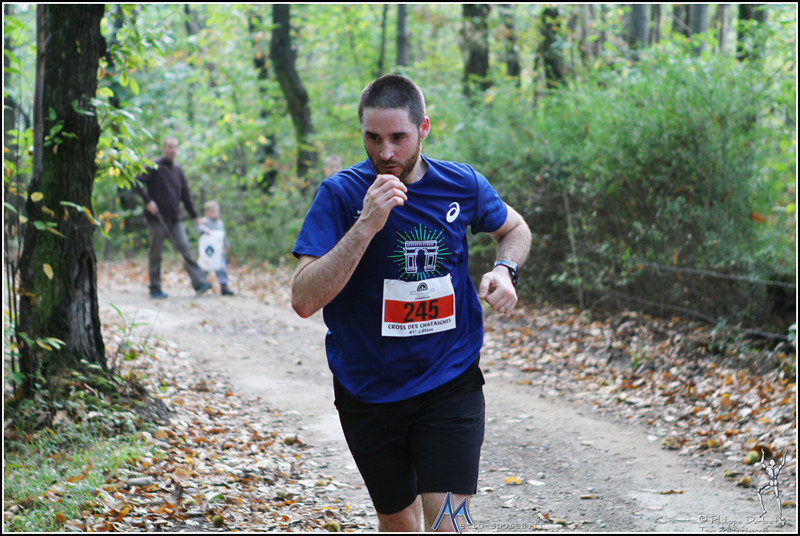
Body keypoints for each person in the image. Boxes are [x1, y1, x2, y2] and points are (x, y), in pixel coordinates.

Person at [291, 75, 531, 532]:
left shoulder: (461, 183)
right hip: (367, 388)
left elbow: (514, 229)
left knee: (448, 524)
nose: (385, 152)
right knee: (399, 523)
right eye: (373, 138)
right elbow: (303, 299)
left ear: (423, 128)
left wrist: (505, 269)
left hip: (449, 379)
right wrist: (366, 225)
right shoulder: (340, 194)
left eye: (398, 138)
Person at [133, 136, 212, 298]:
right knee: (156, 253)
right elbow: (135, 182)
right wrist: (148, 201)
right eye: (169, 147)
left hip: (175, 219)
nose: (172, 150)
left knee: (185, 250)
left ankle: (199, 283)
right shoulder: (153, 165)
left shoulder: (178, 170)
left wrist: (195, 216)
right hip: (156, 218)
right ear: (163, 148)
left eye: (175, 147)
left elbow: (186, 195)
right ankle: (155, 287)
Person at [196, 200, 234, 296]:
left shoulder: (220, 223)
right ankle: (201, 283)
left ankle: (224, 286)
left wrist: (226, 245)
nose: (215, 214)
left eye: (217, 211)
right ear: (206, 213)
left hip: (218, 250)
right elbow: (198, 228)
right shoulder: (204, 222)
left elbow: (223, 235)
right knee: (204, 267)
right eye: (212, 212)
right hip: (207, 250)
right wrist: (204, 230)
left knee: (221, 267)